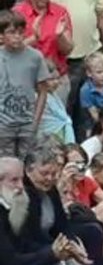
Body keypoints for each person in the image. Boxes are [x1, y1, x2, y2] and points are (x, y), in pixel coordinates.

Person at [0, 11, 54, 159]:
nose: (17, 36)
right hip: (3, 125)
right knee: (6, 164)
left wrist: (35, 122)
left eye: (20, 32)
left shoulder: (35, 57)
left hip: (27, 123)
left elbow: (43, 91)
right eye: (11, 32)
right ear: (1, 35)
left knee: (28, 161)